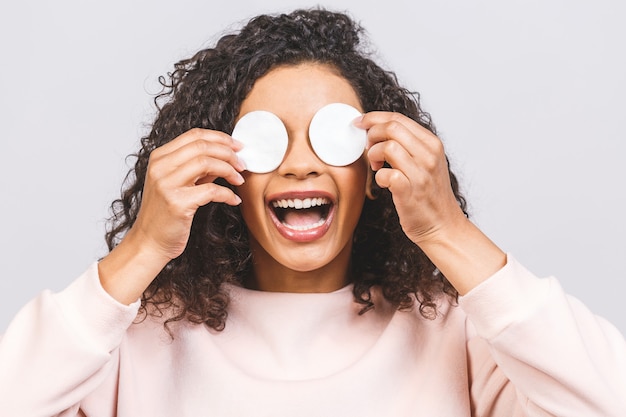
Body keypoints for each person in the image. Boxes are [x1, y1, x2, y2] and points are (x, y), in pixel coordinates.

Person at [0, 8, 624, 416]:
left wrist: (447, 230)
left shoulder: (454, 332)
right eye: (269, 139)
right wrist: (142, 249)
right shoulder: (135, 341)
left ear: (374, 168)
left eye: (332, 137)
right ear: (223, 170)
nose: (300, 165)